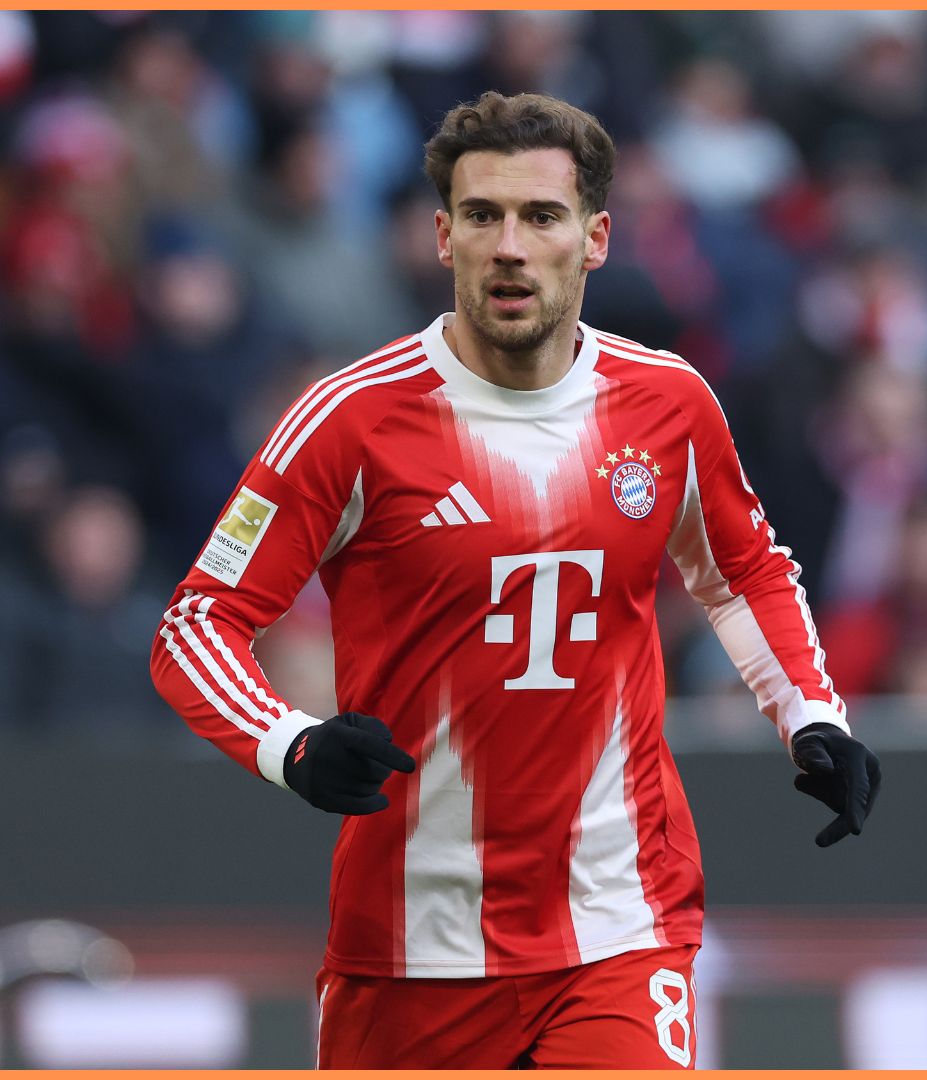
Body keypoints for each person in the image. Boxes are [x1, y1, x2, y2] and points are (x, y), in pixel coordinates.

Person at [149, 91, 881, 1069]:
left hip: (619, 923)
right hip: (413, 942)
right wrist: (292, 744)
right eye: (483, 216)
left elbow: (741, 570)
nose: (510, 245)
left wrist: (812, 717)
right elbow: (198, 624)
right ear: (442, 237)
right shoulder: (348, 420)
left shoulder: (667, 405)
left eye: (541, 216)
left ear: (596, 239)